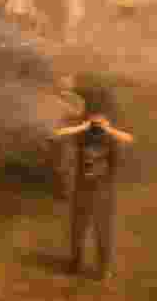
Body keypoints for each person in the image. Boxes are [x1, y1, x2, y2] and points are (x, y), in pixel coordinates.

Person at [52, 112, 133, 280]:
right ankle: (75, 264)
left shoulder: (111, 139)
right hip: (83, 191)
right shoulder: (83, 137)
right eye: (94, 125)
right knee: (78, 230)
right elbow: (58, 134)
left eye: (99, 125)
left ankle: (103, 270)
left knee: (102, 231)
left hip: (104, 192)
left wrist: (108, 129)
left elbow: (129, 139)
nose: (96, 128)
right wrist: (82, 127)